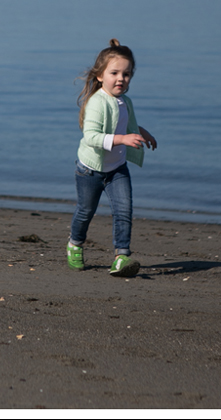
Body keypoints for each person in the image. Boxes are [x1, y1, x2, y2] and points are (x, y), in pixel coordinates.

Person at [68, 39, 157, 276]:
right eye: (114, 73)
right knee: (86, 212)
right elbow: (91, 137)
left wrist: (142, 133)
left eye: (126, 74)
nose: (121, 79)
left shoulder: (125, 101)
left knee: (123, 211)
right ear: (100, 76)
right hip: (90, 169)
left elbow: (128, 124)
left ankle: (121, 257)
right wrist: (122, 139)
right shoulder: (97, 102)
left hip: (117, 168)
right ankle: (75, 244)